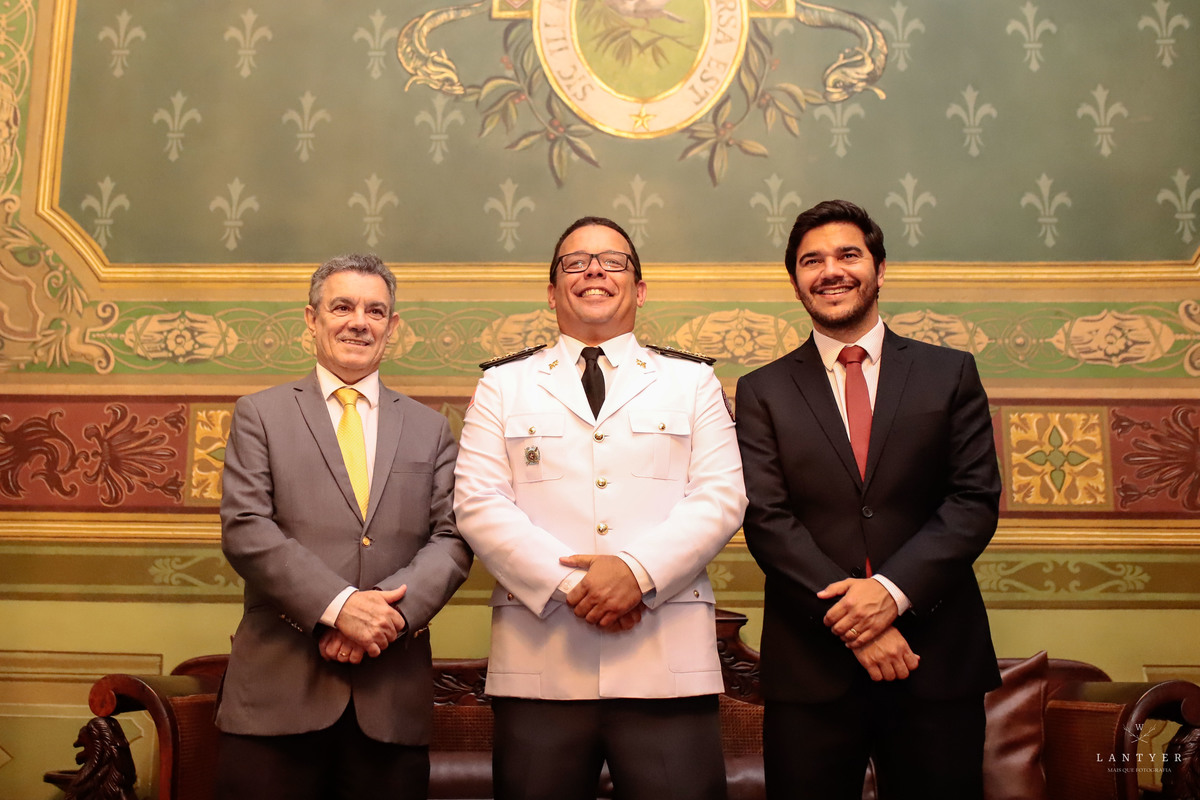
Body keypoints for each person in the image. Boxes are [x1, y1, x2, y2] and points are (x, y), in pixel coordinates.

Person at [453, 216, 748, 800]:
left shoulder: (692, 383)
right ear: (552, 290)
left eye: (614, 262)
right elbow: (479, 502)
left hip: (666, 666)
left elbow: (721, 495)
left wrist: (635, 574)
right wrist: (579, 588)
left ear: (639, 289)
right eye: (575, 262)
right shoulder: (503, 386)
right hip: (542, 664)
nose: (594, 271)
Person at [735, 200, 1002, 800]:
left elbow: (973, 500)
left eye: (848, 255)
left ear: (880, 269)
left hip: (933, 659)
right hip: (811, 670)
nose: (830, 270)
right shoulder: (762, 390)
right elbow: (767, 519)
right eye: (812, 261)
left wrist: (888, 593)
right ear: (796, 281)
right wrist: (858, 624)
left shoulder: (949, 373)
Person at [216, 253, 472, 800]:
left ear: (392, 327)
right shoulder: (259, 414)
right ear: (311, 319)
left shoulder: (432, 429)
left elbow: (451, 540)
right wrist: (338, 607)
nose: (360, 321)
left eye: (375, 310)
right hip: (274, 703)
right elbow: (245, 527)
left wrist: (382, 617)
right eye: (342, 306)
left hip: (390, 704)